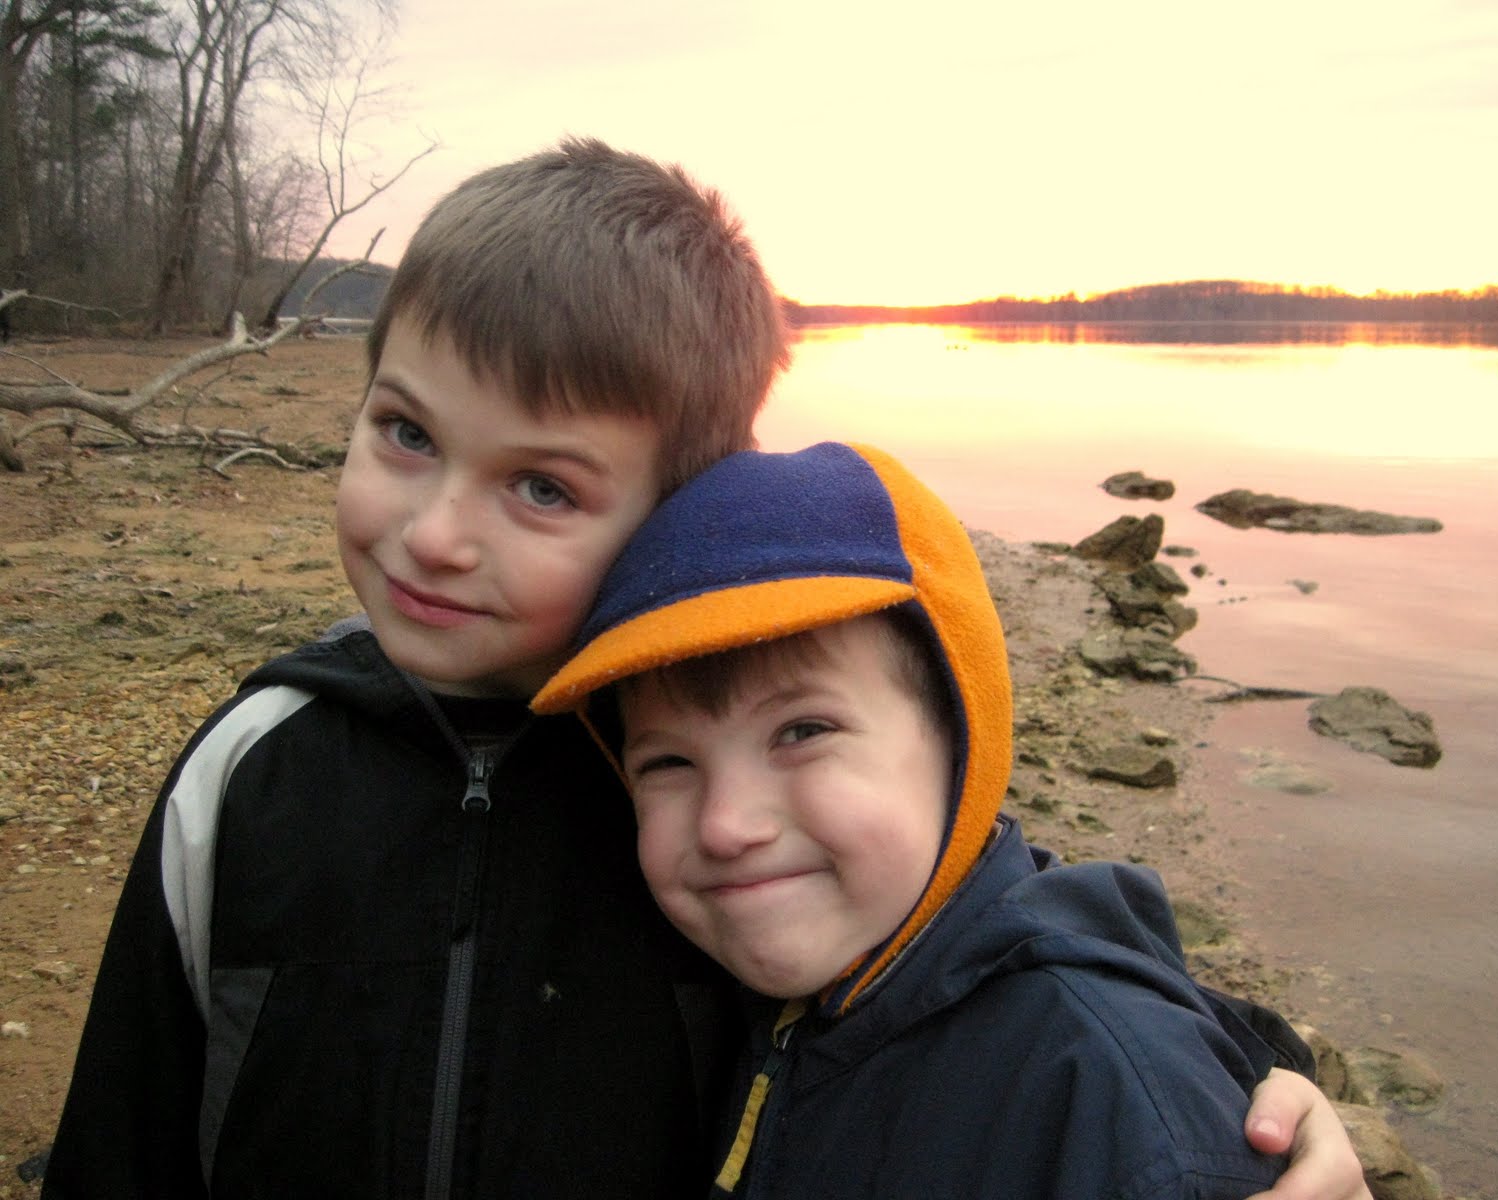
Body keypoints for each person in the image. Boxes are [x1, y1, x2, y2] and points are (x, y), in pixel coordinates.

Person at [43, 140, 1364, 1199]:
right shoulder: (252, 765)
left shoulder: (686, 793)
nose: (436, 534)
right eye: (404, 432)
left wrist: (1238, 1084)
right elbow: (127, 1120)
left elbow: (981, 935)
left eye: (542, 488)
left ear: (674, 524)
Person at [533, 440, 1362, 1199]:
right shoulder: (750, 991)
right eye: (667, 764)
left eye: (803, 731)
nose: (724, 826)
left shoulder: (1107, 1103)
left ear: (962, 739)